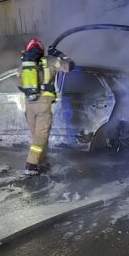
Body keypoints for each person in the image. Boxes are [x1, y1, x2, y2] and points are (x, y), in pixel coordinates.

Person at [18, 38, 75, 174]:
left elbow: (19, 84)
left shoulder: (24, 66)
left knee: (37, 136)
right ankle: (31, 165)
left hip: (29, 105)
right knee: (40, 137)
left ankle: (41, 162)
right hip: (44, 104)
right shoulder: (50, 60)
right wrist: (58, 53)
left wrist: (32, 91)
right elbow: (70, 66)